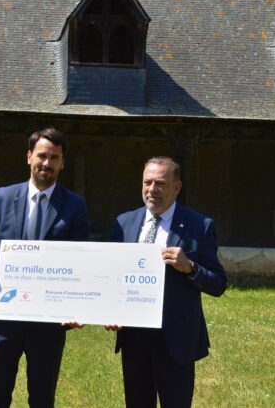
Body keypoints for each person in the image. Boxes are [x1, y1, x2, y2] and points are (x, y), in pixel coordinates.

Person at [0, 127, 89, 408]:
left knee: (42, 398)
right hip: (3, 312)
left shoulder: (75, 206)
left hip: (48, 320)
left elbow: (80, 260)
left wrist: (77, 305)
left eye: (54, 158)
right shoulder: (3, 197)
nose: (47, 163)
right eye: (42, 155)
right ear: (29, 157)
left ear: (63, 163)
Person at [107, 156, 227, 408]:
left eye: (160, 183)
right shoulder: (124, 223)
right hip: (134, 338)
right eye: (147, 182)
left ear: (177, 187)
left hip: (176, 340)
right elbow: (111, 276)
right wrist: (112, 312)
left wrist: (190, 267)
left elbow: (218, 284)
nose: (152, 189)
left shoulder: (199, 226)